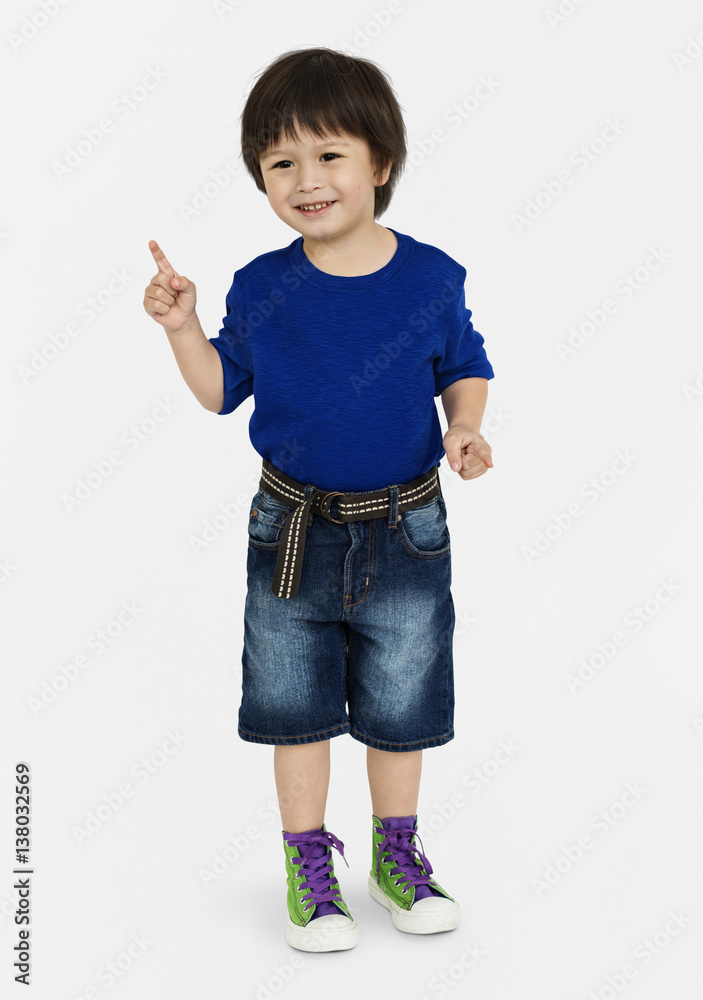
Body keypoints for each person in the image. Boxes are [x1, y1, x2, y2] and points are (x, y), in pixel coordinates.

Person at [143, 46, 495, 954]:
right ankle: (308, 865)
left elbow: (464, 368)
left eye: (329, 154)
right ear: (261, 179)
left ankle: (396, 855)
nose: (306, 179)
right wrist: (183, 328)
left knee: (401, 699)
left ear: (381, 162)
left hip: (409, 529)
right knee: (293, 702)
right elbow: (223, 391)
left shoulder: (431, 277)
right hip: (290, 528)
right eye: (280, 163)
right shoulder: (263, 285)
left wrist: (462, 428)